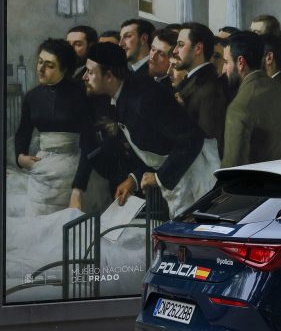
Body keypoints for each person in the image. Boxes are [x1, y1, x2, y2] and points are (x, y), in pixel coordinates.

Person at [81, 42, 211, 217]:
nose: (84, 77)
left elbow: (191, 138)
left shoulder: (144, 100)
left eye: (89, 72)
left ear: (109, 75)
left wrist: (159, 178)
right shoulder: (122, 98)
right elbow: (157, 147)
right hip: (178, 179)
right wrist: (134, 179)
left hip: (194, 175)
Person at [14, 39, 95, 215]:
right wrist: (20, 157)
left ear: (64, 69)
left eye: (49, 65)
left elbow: (90, 142)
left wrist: (78, 189)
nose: (41, 69)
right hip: (41, 167)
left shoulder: (80, 94)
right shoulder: (32, 97)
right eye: (40, 62)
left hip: (72, 169)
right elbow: (23, 132)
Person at [221, 32, 281, 168]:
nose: (223, 70)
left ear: (240, 62)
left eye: (226, 62)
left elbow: (232, 170)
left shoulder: (240, 106)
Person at [173, 22, 228, 157]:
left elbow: (209, 146)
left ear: (198, 48)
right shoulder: (191, 81)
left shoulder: (209, 88)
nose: (174, 51)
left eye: (180, 45)